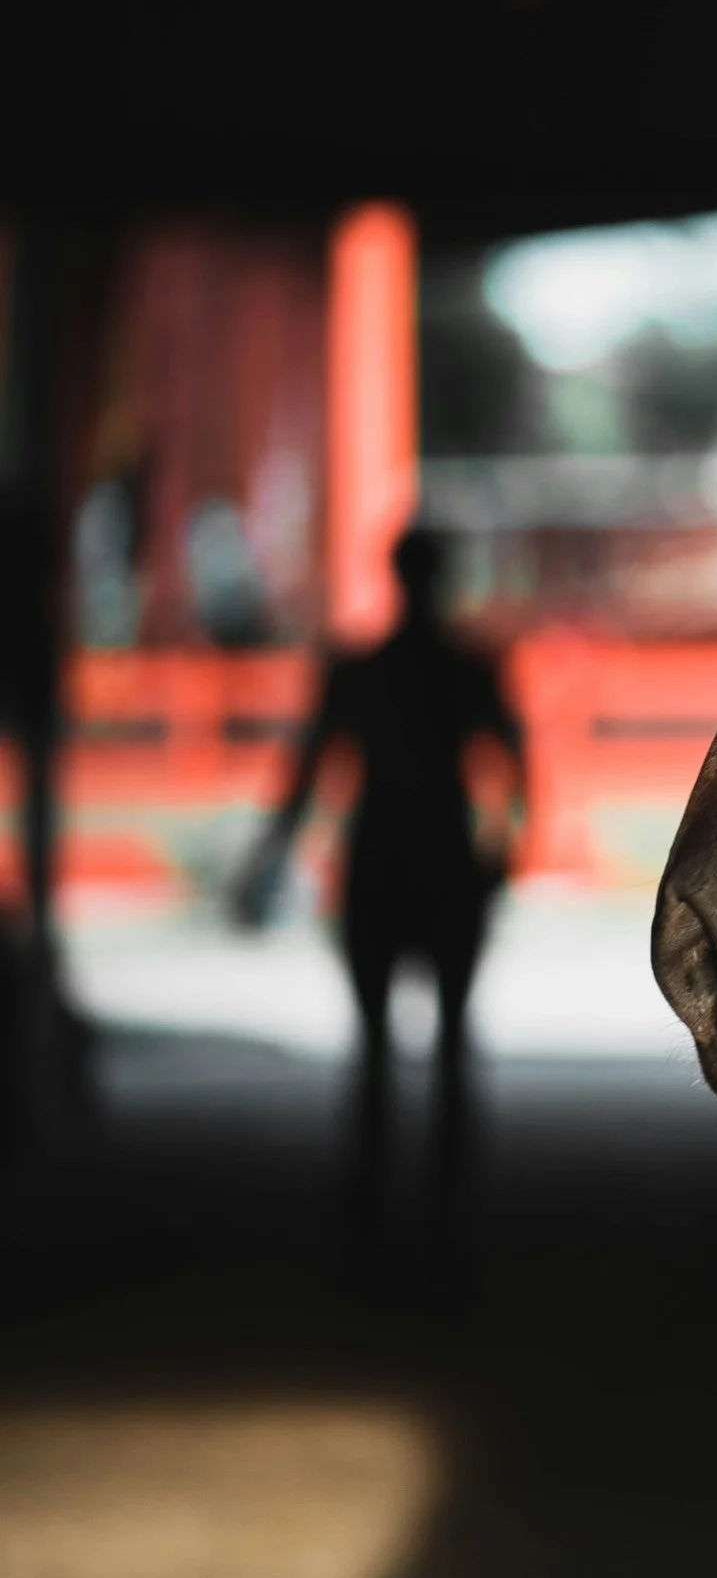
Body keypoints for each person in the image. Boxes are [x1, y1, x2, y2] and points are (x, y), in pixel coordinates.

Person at [235, 526, 523, 1255]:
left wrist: (262, 860)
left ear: (394, 575)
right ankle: (448, 1204)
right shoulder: (470, 670)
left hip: (378, 858)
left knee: (372, 1044)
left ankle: (369, 1200)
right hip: (448, 860)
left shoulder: (357, 670)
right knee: (454, 1038)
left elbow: (306, 778)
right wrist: (503, 857)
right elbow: (518, 774)